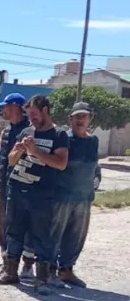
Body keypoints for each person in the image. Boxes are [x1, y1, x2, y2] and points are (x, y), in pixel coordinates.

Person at [0, 95, 68, 295]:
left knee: (42, 237)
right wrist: (18, 151)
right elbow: (10, 160)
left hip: (42, 195)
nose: (31, 118)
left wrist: (35, 152)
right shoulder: (26, 132)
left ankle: (41, 279)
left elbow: (61, 163)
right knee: (13, 232)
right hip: (17, 190)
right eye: (29, 114)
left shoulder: (59, 135)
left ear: (45, 111)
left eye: (34, 114)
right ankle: (10, 272)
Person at [51, 101, 98, 288]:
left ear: (89, 119)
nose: (81, 120)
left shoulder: (93, 140)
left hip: (84, 197)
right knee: (56, 235)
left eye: (84, 116)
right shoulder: (64, 139)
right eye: (77, 116)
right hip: (63, 195)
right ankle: (50, 270)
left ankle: (67, 270)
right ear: (70, 119)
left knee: (77, 236)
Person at [0, 93, 36, 277]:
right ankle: (6, 264)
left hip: (23, 187)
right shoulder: (7, 131)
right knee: (4, 226)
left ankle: (27, 265)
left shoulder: (30, 131)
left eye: (6, 106)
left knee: (24, 227)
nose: (3, 110)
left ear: (17, 107)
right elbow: (2, 160)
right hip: (5, 186)